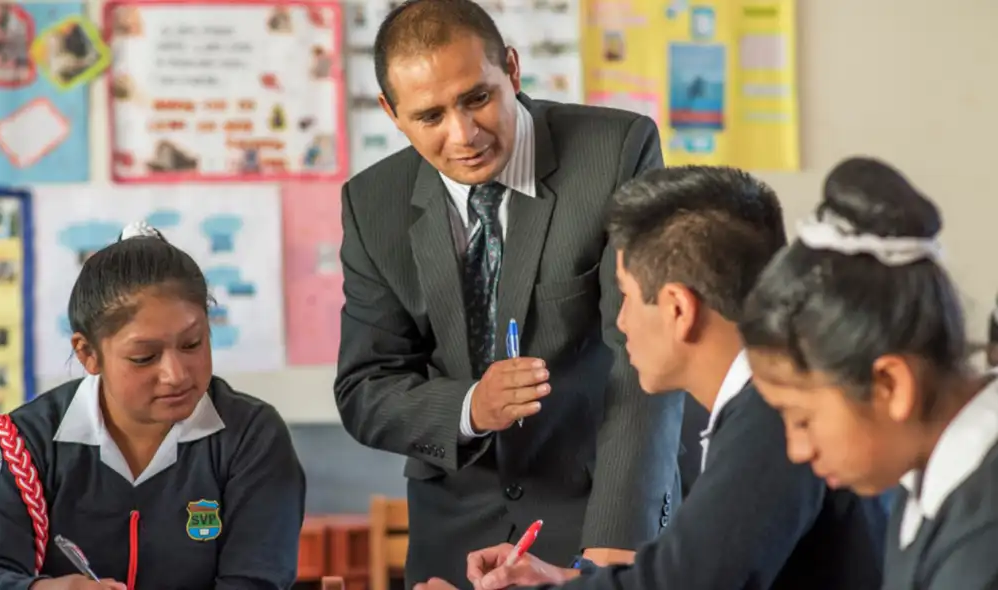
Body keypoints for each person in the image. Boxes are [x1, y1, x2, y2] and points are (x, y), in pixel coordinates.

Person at [334, 0, 689, 586]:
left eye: (477, 98)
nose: (464, 135)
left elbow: (645, 364)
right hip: (453, 537)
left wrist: (608, 558)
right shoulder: (372, 205)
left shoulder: (615, 152)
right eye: (429, 116)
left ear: (513, 71)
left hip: (598, 514)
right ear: (391, 115)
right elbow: (365, 389)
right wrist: (471, 408)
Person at [429, 166, 887, 590]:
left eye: (625, 296)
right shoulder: (769, 400)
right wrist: (562, 581)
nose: (621, 321)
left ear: (678, 309)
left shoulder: (777, 421)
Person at [0, 221, 306, 590]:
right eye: (144, 357)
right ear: (87, 353)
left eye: (192, 344)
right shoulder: (25, 445)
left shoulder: (250, 437)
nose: (175, 374)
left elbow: (257, 580)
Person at [737, 156, 998, 589]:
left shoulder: (984, 540)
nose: (797, 449)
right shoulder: (920, 473)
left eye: (801, 419)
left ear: (891, 385)